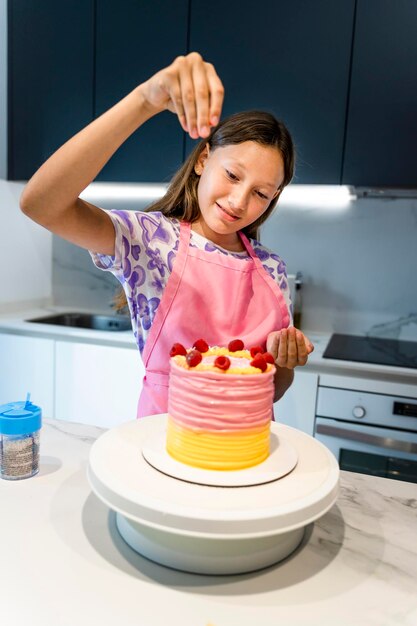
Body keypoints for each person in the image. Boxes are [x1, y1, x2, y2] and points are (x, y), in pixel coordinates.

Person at [20, 52, 314, 417]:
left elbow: (273, 390)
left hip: (246, 453)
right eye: (233, 176)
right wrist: (145, 101)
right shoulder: (152, 241)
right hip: (163, 443)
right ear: (204, 160)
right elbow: (41, 204)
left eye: (261, 194)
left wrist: (286, 363)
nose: (239, 201)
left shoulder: (273, 270)